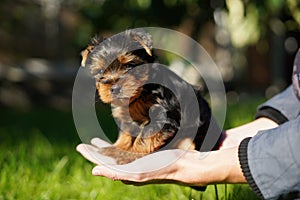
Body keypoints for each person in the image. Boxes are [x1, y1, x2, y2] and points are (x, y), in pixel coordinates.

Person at [77, 50, 300, 200]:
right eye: (101, 74)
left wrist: (138, 153)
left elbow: (164, 125)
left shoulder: (157, 93)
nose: (114, 82)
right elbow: (128, 123)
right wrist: (121, 146)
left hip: (196, 128)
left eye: (130, 68)